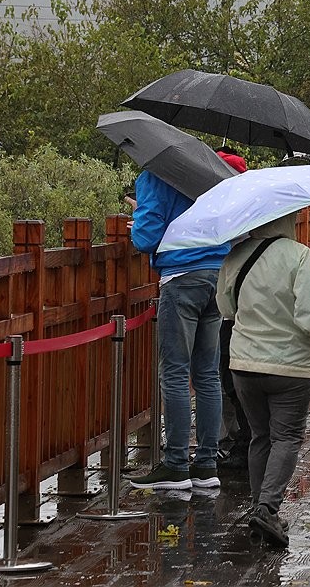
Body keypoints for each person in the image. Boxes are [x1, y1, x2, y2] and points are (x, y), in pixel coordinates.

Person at [216, 212, 310, 547]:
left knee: (260, 436)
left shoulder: (236, 255)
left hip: (245, 365)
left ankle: (259, 506)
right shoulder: (299, 255)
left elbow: (225, 307)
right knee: (287, 437)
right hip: (291, 368)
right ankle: (267, 507)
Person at [128, 171, 228, 491]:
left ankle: (175, 464)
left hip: (182, 276)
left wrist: (139, 214)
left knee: (174, 372)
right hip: (216, 275)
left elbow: (145, 238)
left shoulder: (154, 176)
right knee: (208, 374)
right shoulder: (209, 175)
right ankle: (207, 463)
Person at [214, 147, 251, 469]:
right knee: (228, 373)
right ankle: (241, 435)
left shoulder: (221, 207)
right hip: (242, 302)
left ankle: (237, 437)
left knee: (225, 373)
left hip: (230, 303)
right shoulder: (251, 204)